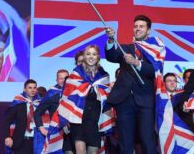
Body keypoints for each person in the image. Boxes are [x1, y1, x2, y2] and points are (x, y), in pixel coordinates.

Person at [104, 15, 157, 154]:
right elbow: (111, 56)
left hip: (145, 101)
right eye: (135, 26)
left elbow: (154, 71)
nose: (137, 29)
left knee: (147, 141)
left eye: (141, 26)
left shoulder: (156, 50)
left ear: (148, 30)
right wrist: (110, 39)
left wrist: (136, 63)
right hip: (124, 101)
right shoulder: (126, 48)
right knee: (125, 143)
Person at [59, 45, 113, 154]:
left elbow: (106, 99)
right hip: (78, 119)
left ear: (98, 57)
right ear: (84, 56)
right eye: (88, 54)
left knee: (93, 151)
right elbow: (66, 97)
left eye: (94, 54)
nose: (91, 57)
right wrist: (65, 120)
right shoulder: (76, 73)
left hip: (95, 121)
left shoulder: (103, 75)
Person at [34, 69, 74, 153]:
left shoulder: (76, 92)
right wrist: (41, 129)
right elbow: (37, 112)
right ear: (57, 80)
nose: (63, 80)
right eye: (60, 78)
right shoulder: (51, 93)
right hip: (57, 132)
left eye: (65, 78)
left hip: (75, 131)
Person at [4, 79, 40, 154]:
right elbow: (6, 121)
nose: (32, 90)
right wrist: (7, 136)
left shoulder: (40, 103)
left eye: (34, 87)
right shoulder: (18, 102)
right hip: (21, 142)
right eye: (30, 88)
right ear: (24, 89)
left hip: (37, 141)